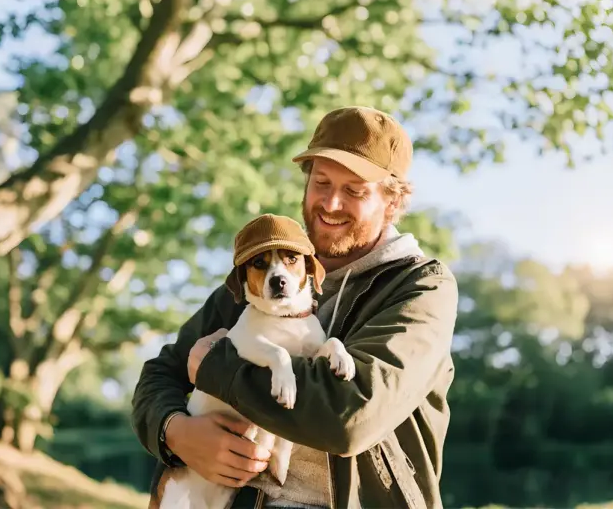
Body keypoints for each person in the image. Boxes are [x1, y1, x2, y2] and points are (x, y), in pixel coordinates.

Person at [131, 106, 458, 509]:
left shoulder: (421, 287)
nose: (331, 203)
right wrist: (176, 432)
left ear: (392, 202)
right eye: (321, 182)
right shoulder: (265, 270)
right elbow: (162, 373)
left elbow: (350, 417)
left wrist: (220, 370)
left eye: (354, 190)